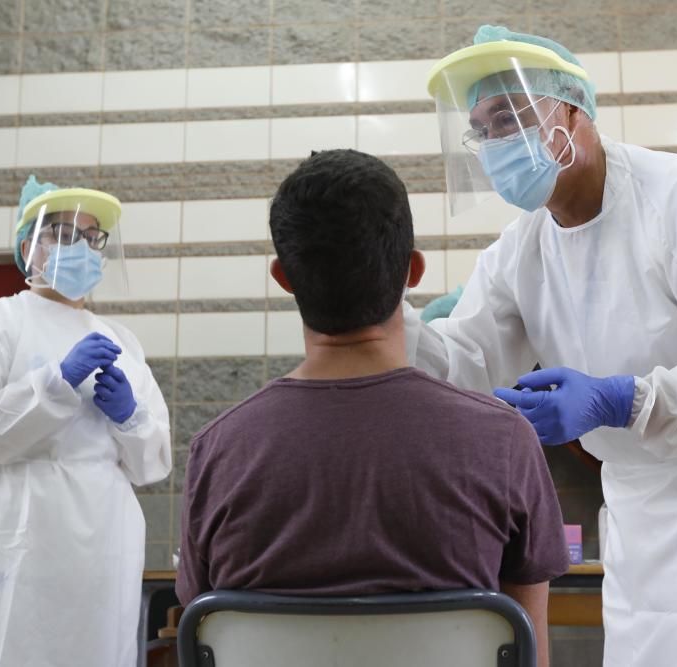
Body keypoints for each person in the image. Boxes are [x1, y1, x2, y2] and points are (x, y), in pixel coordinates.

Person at [411, 24, 677, 666]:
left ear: (572, 110)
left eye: (511, 118)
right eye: (484, 129)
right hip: (645, 509)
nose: (498, 143)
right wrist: (377, 314)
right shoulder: (523, 247)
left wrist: (623, 400)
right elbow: (464, 363)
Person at [177, 149, 569, 666]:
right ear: (413, 270)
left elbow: (203, 623)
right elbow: (528, 652)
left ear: (284, 277)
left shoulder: (218, 453)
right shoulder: (504, 442)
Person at [0, 176, 172, 667]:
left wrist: (130, 419)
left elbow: (153, 463)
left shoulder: (123, 342)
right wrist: (54, 384)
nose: (84, 247)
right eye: (65, 233)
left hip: (97, 552)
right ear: (29, 245)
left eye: (93, 238)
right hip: (5, 547)